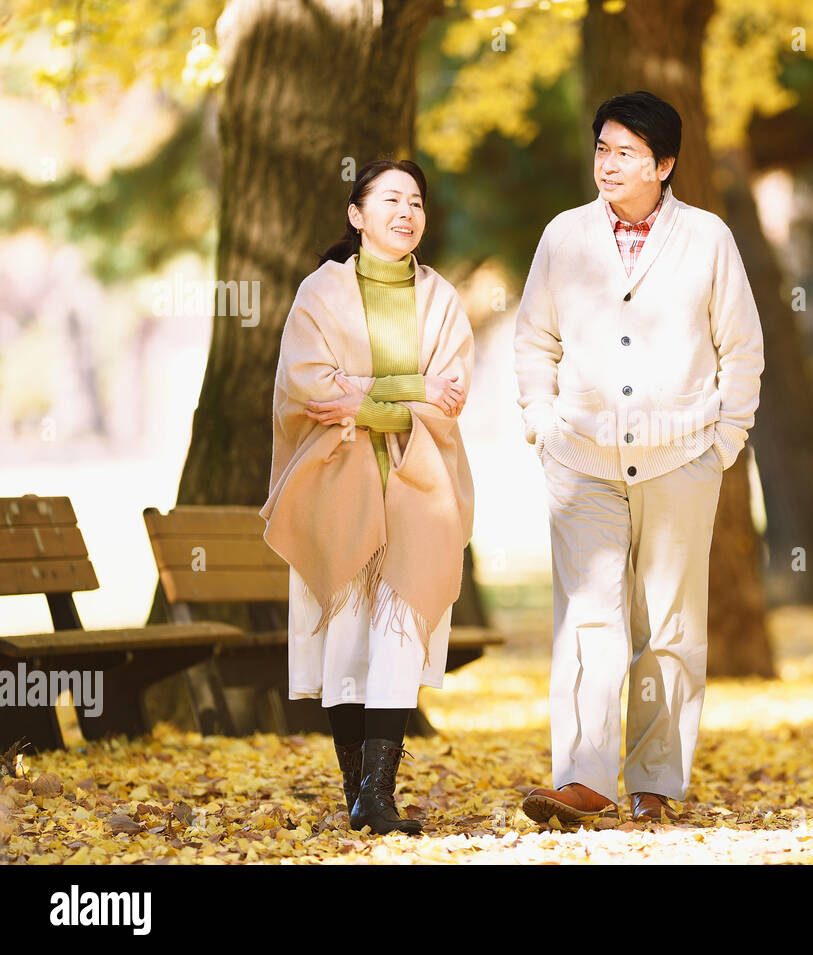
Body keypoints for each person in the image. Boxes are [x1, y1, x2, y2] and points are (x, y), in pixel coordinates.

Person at [513, 91, 764, 826]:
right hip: (581, 460)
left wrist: (724, 442)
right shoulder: (563, 236)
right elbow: (534, 339)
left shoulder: (709, 238)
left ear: (664, 164)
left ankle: (653, 780)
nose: (608, 163)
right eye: (602, 149)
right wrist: (541, 422)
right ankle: (584, 778)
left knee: (669, 626)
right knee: (589, 618)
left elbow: (740, 349)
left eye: (626, 152)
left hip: (681, 457)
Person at [260, 158, 475, 836]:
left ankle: (377, 794)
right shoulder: (319, 294)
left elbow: (453, 394)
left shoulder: (441, 298)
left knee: (399, 632)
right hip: (338, 483)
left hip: (419, 487)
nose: (407, 211)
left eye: (416, 201)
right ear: (357, 215)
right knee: (346, 635)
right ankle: (359, 790)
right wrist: (409, 391)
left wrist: (368, 393)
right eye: (391, 198)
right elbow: (315, 389)